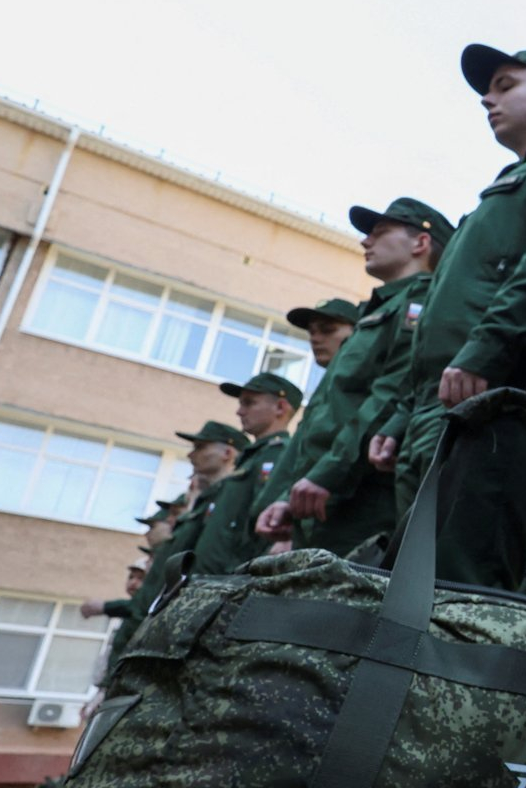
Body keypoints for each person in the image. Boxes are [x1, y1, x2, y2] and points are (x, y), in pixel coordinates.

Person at [370, 46, 526, 591]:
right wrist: (402, 420)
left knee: (464, 581)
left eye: (506, 84)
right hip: (439, 404)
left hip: (495, 394)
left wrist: (485, 352)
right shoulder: (494, 196)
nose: (488, 99)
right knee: (408, 584)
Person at [260, 201, 451, 555]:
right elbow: (325, 418)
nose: (365, 242)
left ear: (420, 243)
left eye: (379, 233)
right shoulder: (375, 314)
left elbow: (391, 394)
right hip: (324, 497)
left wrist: (325, 476)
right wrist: (293, 493)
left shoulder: (421, 300)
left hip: (361, 492)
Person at [105, 421, 247, 664]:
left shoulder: (232, 495)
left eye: (201, 447)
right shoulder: (207, 503)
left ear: (228, 453)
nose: (192, 455)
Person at [251, 297, 357, 553]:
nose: (315, 338)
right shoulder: (327, 387)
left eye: (328, 330)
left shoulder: (350, 388)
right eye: (311, 332)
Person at [188, 373, 300, 575]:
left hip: (234, 578)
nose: (240, 411)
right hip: (212, 579)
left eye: (249, 403)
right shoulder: (250, 459)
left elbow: (267, 521)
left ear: (280, 407)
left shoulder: (279, 453)